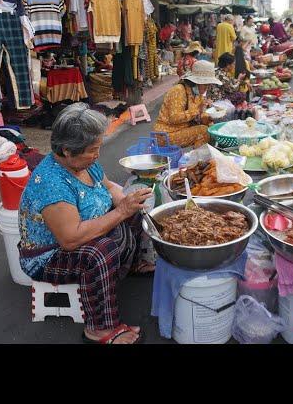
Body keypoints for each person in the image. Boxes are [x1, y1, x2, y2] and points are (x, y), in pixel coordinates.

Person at [18, 103, 154, 345]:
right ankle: (99, 329)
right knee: (99, 252)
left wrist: (129, 203)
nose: (97, 155)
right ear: (67, 151)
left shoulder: (85, 163)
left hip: (84, 231)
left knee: (132, 206)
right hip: (49, 254)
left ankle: (130, 264)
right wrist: (122, 211)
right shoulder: (52, 183)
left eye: (98, 147)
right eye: (92, 150)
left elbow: (109, 187)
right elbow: (70, 239)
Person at [154, 60, 220, 148]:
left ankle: (199, 158)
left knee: (211, 128)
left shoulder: (197, 94)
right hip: (165, 134)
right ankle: (198, 159)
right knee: (204, 131)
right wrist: (198, 110)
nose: (207, 88)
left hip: (181, 130)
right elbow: (174, 118)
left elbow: (201, 117)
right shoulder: (178, 90)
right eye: (205, 85)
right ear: (197, 82)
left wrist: (210, 118)